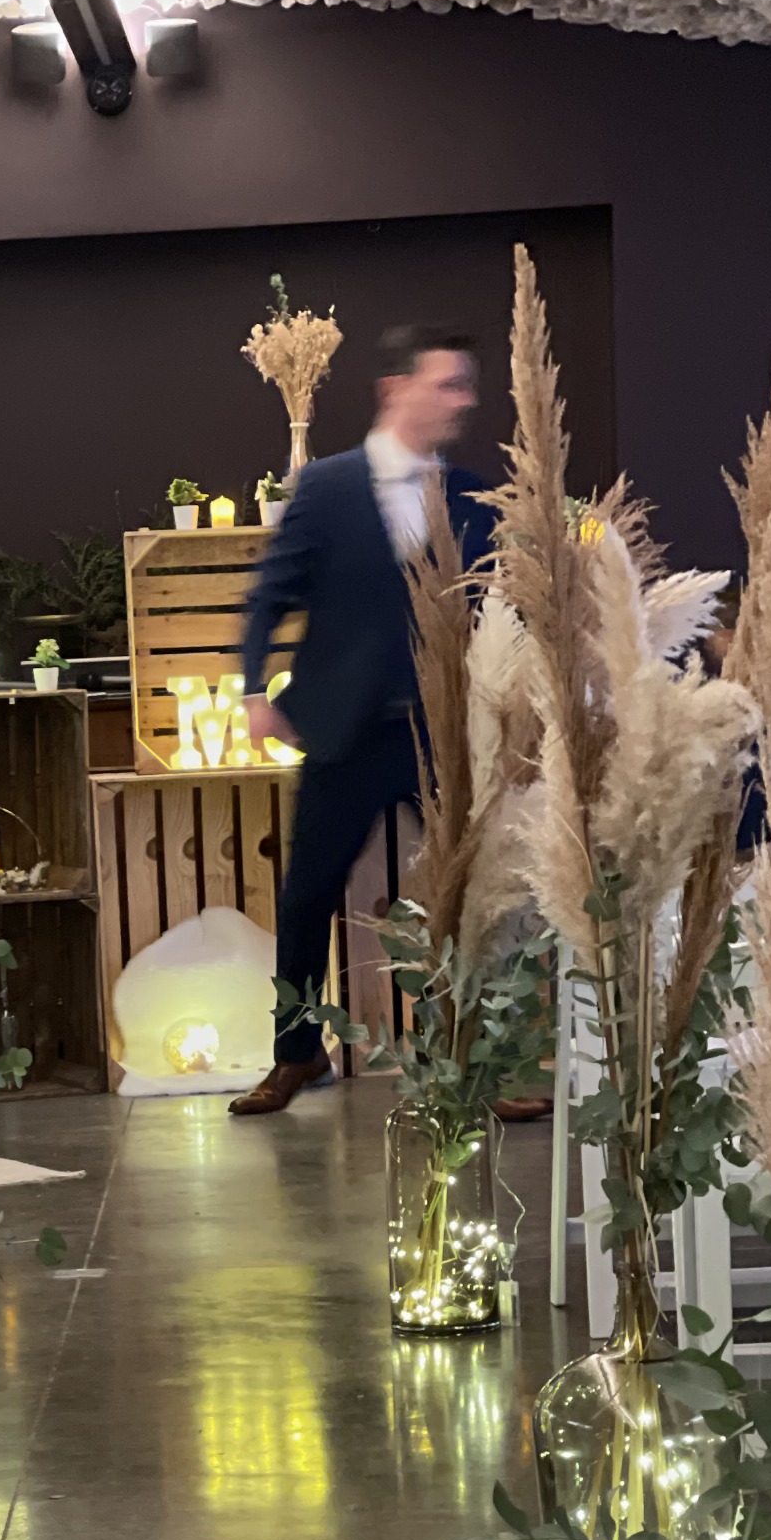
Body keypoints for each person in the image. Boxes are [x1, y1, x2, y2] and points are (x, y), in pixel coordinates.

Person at [229, 324, 495, 1117]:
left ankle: (470, 1062)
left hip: (440, 734)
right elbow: (269, 596)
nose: (464, 401)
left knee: (467, 896)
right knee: (307, 895)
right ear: (395, 390)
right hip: (345, 731)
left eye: (466, 386)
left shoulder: (472, 495)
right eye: (448, 384)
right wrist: (254, 691)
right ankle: (296, 1053)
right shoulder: (327, 487)